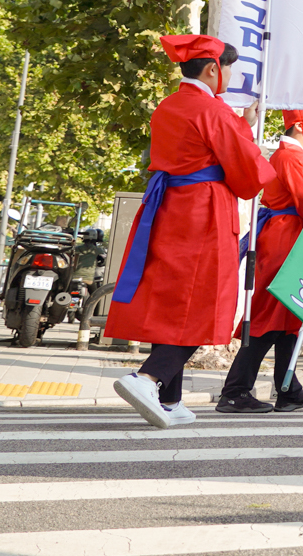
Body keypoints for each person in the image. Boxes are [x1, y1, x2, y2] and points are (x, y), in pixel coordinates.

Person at [107, 35, 273, 428]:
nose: (230, 75)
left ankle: (170, 398)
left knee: (171, 301)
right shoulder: (213, 110)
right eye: (229, 67)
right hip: (203, 211)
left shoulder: (168, 106)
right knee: (205, 299)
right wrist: (245, 129)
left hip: (168, 209)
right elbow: (249, 176)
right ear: (214, 68)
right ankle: (148, 378)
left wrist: (240, 124)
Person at [216, 107, 303, 414]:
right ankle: (235, 391)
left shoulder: (289, 155)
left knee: (287, 318)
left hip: (284, 236)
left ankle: (287, 389)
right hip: (286, 239)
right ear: (300, 126)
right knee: (270, 316)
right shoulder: (292, 157)